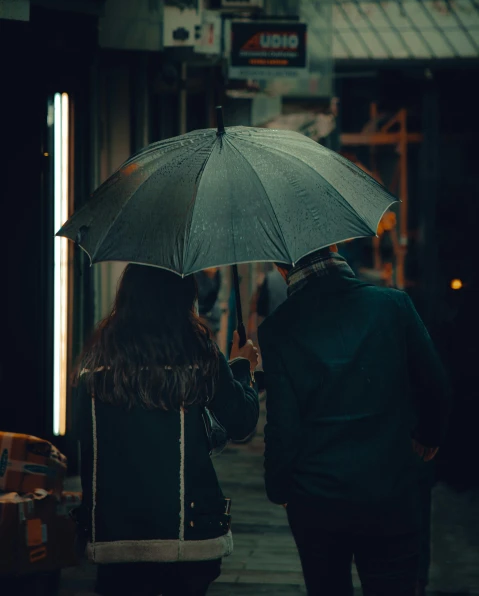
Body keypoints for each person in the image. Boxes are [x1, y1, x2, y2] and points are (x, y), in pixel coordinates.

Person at [258, 245, 450, 596]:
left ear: (282, 269)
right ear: (334, 249)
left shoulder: (278, 329)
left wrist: (279, 486)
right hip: (391, 492)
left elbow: (283, 425)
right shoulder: (394, 305)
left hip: (316, 501)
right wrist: (428, 435)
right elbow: (434, 383)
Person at [73, 263, 259, 596]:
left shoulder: (96, 362)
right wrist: (242, 366)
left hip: (118, 534)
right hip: (187, 534)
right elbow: (241, 422)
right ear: (184, 295)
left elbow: (84, 439)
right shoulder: (200, 354)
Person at [196, 267, 223, 340]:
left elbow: (215, 292)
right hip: (201, 319)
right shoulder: (198, 275)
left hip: (213, 319)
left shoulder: (217, 272)